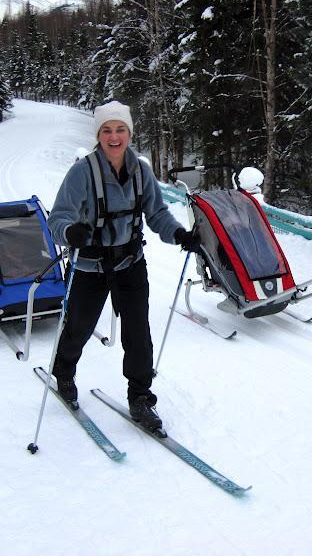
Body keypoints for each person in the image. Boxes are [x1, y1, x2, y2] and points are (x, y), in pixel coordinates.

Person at [47, 100, 200, 434]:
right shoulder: (82, 172)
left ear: (129, 133)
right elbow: (58, 219)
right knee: (79, 327)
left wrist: (178, 234)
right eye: (107, 130)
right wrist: (70, 232)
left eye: (120, 130)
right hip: (90, 265)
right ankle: (63, 370)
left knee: (138, 333)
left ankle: (141, 395)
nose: (114, 137)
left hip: (131, 263)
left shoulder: (141, 170)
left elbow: (156, 213)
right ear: (98, 135)